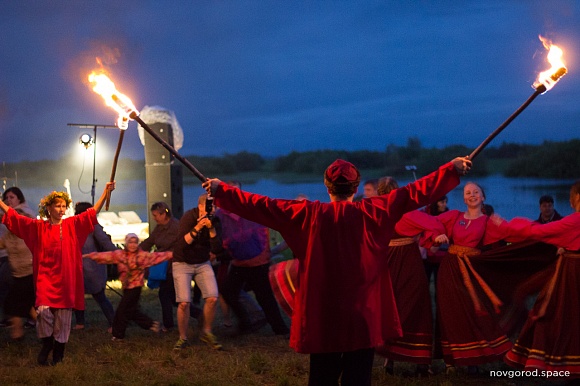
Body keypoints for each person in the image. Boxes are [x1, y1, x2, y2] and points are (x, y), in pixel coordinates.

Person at [202, 157, 471, 386]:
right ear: (356, 187)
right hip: (363, 311)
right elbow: (414, 192)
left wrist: (221, 189)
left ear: (326, 187)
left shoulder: (307, 213)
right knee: (358, 376)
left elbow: (261, 205)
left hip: (323, 310)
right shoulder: (375, 210)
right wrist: (451, 169)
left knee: (322, 375)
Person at [0, 182, 115, 365]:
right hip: (45, 278)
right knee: (44, 313)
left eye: (63, 206)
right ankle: (47, 344)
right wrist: (0, 202)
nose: (61, 209)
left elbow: (92, 212)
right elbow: (15, 217)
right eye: (57, 206)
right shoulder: (39, 227)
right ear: (48, 207)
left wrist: (105, 192)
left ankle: (59, 353)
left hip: (66, 280)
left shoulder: (72, 224)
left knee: (63, 317)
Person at [428, 182, 520, 374]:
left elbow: (513, 235)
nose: (472, 195)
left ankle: (473, 360)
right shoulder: (454, 216)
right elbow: (431, 222)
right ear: (463, 198)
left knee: (472, 313)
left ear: (483, 197)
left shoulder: (488, 221)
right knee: (449, 313)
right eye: (467, 192)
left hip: (472, 271)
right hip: (450, 270)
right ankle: (450, 361)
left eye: (476, 192)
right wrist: (437, 234)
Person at [502, 181, 580, 377]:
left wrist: (506, 225)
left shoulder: (574, 221)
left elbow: (539, 232)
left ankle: (559, 363)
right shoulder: (571, 223)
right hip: (569, 267)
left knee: (558, 314)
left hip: (572, 272)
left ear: (574, 200)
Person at [375, 177, 446, 377]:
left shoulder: (376, 212)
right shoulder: (407, 214)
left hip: (387, 262)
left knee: (393, 306)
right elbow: (435, 225)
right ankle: (419, 362)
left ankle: (390, 358)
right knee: (415, 306)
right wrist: (429, 238)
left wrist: (428, 238)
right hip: (406, 261)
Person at [216, 181, 289, 336]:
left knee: (265, 297)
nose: (233, 194)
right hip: (239, 262)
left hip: (258, 261)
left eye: (235, 191)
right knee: (228, 291)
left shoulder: (251, 208)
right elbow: (221, 236)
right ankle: (246, 323)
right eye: (230, 191)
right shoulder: (221, 214)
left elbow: (263, 228)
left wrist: (265, 251)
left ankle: (280, 330)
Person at [83, 233, 172, 340]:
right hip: (126, 288)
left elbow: (157, 256)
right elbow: (107, 256)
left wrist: (172, 254)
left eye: (135, 242)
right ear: (126, 243)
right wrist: (89, 256)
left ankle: (118, 335)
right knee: (131, 311)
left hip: (135, 288)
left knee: (122, 311)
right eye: (130, 242)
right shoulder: (121, 255)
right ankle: (152, 324)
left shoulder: (141, 256)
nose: (133, 245)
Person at [172, 194, 227, 350]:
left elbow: (217, 249)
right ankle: (183, 338)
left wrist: (210, 229)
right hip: (182, 261)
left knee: (212, 298)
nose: (213, 210)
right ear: (200, 206)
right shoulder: (189, 216)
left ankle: (206, 332)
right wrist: (198, 227)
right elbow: (182, 244)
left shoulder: (215, 221)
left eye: (215, 207)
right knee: (184, 302)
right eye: (210, 207)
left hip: (202, 262)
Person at [73, 202, 118, 332]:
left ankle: (82, 322)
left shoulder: (79, 225)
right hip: (91, 267)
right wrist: (118, 254)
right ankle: (112, 321)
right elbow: (105, 242)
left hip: (87, 267)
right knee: (96, 295)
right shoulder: (92, 225)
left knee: (89, 295)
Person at [0, 187, 36, 340]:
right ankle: (22, 331)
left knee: (18, 304)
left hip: (30, 274)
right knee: (24, 305)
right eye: (6, 197)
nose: (9, 200)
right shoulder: (8, 237)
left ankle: (20, 331)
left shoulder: (26, 226)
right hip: (18, 275)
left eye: (12, 197)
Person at [139, 202, 179, 332]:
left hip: (173, 267)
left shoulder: (176, 227)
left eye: (156, 215)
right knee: (172, 297)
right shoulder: (159, 228)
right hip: (164, 266)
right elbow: (149, 241)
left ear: (164, 214)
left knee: (165, 295)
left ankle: (168, 324)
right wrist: (135, 252)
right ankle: (198, 315)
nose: (155, 218)